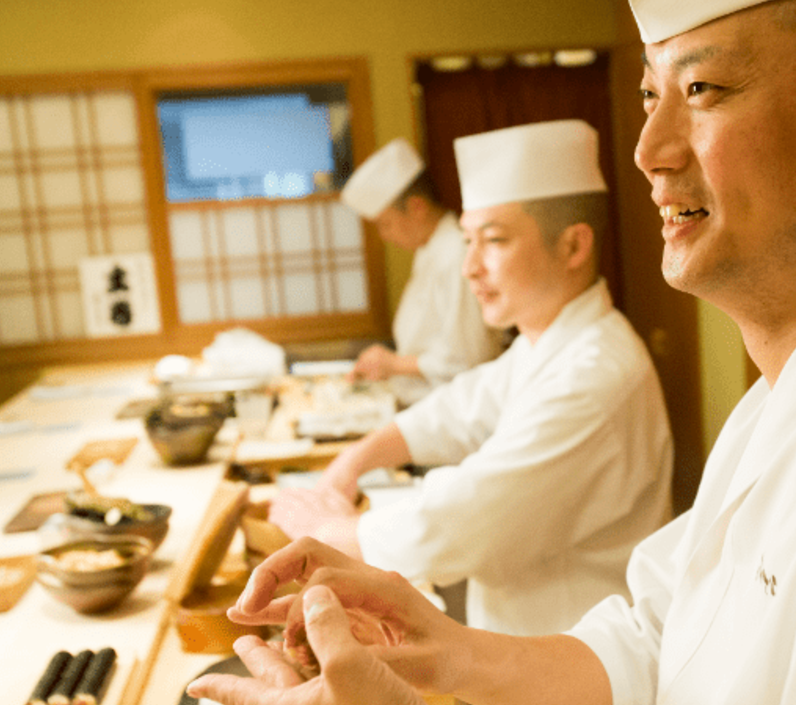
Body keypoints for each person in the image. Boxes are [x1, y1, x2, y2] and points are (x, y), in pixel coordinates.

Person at [189, 0, 796, 705]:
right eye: (651, 97)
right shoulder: (785, 401)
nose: (649, 148)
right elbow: (657, 638)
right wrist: (434, 652)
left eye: (701, 90)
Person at [269, 119, 675, 638]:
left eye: (495, 241)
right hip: (524, 644)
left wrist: (324, 529)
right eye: (466, 241)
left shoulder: (595, 373)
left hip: (575, 659)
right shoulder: (545, 344)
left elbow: (466, 517)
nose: (470, 268)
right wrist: (354, 462)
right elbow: (460, 406)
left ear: (573, 247)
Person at [340, 138, 504, 405]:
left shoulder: (456, 254)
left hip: (453, 408)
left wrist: (394, 364)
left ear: (417, 207)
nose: (385, 236)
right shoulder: (430, 250)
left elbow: (469, 358)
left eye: (386, 224)